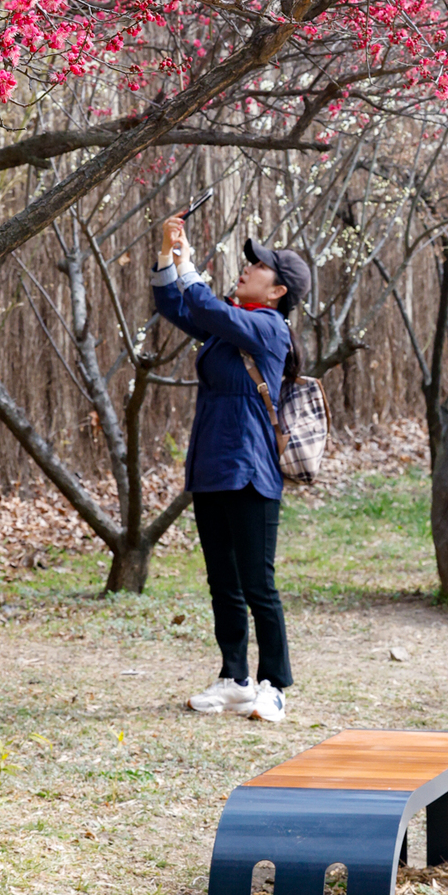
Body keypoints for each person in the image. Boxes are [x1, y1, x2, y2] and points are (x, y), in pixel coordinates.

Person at [152, 213, 311, 723]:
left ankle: (274, 685)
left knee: (257, 583)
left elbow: (204, 302)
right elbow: (176, 303)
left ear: (278, 288)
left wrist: (190, 264)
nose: (246, 268)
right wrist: (166, 255)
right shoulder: (227, 327)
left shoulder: (268, 328)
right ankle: (235, 678)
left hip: (252, 471)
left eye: (258, 265)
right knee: (222, 579)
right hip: (212, 467)